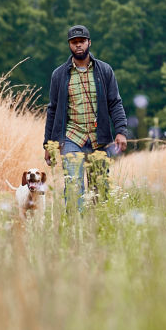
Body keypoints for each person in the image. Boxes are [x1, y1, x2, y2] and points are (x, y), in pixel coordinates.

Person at [43, 25, 128, 206]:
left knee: (100, 190)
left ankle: (96, 229)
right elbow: (52, 110)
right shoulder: (59, 75)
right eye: (74, 42)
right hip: (72, 137)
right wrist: (48, 144)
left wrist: (121, 131)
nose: (78, 45)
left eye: (82, 41)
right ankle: (75, 229)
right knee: (74, 188)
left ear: (89, 42)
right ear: (69, 45)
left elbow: (115, 102)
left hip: (100, 139)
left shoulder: (105, 71)